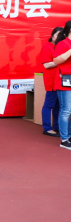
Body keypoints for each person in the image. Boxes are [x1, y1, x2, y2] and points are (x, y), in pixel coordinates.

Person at [40, 27, 63, 137]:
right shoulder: (47, 47)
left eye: (60, 35)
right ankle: (47, 128)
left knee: (58, 105)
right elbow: (46, 65)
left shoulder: (60, 47)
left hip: (61, 81)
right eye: (56, 34)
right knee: (49, 104)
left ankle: (57, 127)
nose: (57, 37)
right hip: (52, 80)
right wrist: (61, 61)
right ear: (52, 35)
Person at [53, 20, 71, 150]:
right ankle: (64, 139)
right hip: (65, 81)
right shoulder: (63, 44)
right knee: (66, 110)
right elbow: (57, 60)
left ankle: (69, 136)